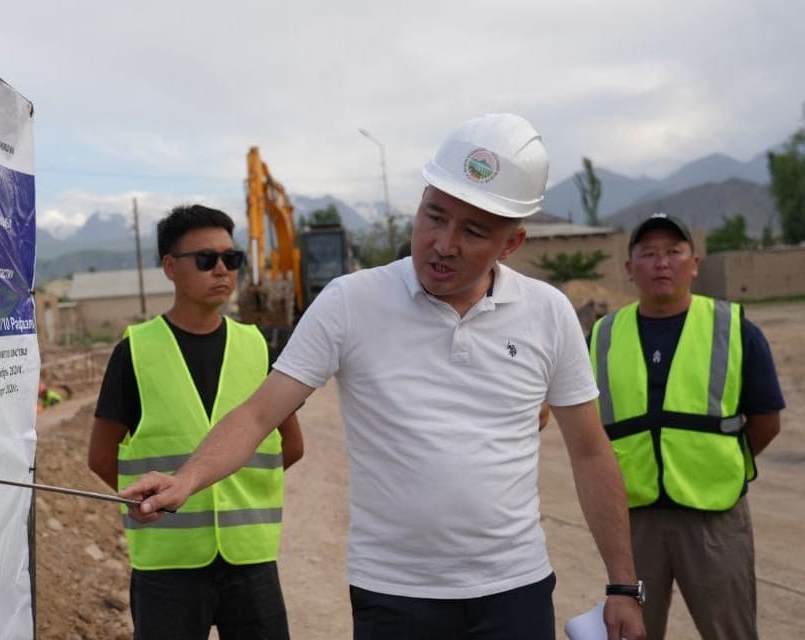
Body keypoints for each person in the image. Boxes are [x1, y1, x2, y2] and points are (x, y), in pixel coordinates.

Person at [121, 114, 647, 640]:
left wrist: (623, 586)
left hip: (515, 589)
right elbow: (260, 414)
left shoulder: (547, 313)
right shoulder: (351, 303)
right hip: (395, 596)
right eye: (434, 217)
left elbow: (589, 450)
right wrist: (186, 479)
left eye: (473, 232)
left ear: (512, 243)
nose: (443, 243)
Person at [88, 204, 304, 640]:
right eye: (206, 259)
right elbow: (101, 456)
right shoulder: (136, 351)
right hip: (167, 564)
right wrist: (150, 502)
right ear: (171, 267)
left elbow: (292, 446)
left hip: (251, 560)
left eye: (231, 258)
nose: (222, 270)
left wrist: (241, 494)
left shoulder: (256, 347)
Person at [589, 212, 784, 639]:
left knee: (729, 630)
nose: (661, 263)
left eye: (673, 252)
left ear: (694, 264)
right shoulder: (602, 336)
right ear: (629, 268)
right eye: (648, 254)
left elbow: (767, 421)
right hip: (633, 517)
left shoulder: (734, 329)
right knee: (631, 632)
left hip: (713, 514)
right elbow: (587, 429)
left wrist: (717, 463)